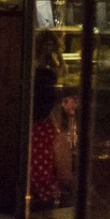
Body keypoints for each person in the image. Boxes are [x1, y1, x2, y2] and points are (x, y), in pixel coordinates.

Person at [30, 68, 73, 209]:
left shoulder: (17, 128)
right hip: (45, 206)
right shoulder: (53, 137)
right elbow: (65, 179)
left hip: (16, 204)